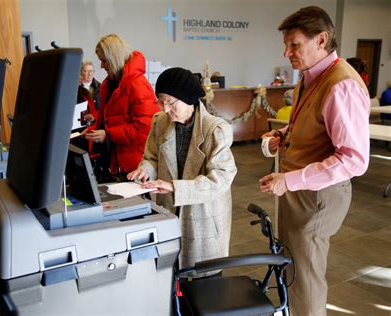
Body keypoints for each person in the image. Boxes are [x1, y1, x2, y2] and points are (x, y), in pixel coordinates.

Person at [259, 6, 370, 315]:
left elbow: (353, 159)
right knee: (293, 269)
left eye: (294, 44)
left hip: (318, 196)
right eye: (286, 44)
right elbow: (313, 124)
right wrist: (284, 134)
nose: (287, 52)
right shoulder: (311, 76)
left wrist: (289, 179)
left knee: (305, 280)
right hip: (299, 191)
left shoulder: (341, 84)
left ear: (321, 40)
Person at [127, 67, 237, 277]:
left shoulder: (216, 130)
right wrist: (144, 170)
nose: (165, 108)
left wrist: (173, 186)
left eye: (170, 102)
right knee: (171, 276)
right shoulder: (160, 122)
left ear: (188, 99)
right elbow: (151, 156)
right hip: (168, 210)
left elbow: (221, 179)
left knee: (204, 283)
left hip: (204, 218)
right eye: (161, 101)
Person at [82, 34, 159, 180]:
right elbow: (109, 120)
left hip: (134, 167)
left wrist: (108, 135)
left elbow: (143, 129)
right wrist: (94, 130)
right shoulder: (109, 84)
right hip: (115, 163)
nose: (101, 66)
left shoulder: (137, 85)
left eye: (104, 61)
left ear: (114, 58)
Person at [77, 60, 101, 125]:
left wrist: (95, 118)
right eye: (86, 71)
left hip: (95, 124)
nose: (90, 73)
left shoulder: (100, 87)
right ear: (80, 72)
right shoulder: (75, 87)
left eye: (91, 71)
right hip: (79, 124)